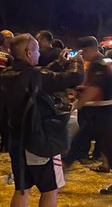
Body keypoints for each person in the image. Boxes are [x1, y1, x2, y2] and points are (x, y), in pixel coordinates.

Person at [0, 34, 84, 207]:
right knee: (50, 189)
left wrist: (58, 63)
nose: (39, 54)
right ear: (28, 52)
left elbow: (41, 73)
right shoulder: (34, 75)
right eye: (37, 49)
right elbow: (73, 77)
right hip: (39, 140)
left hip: (16, 140)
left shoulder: (6, 74)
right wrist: (77, 61)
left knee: (22, 189)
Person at [73, 36, 112, 194]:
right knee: (99, 143)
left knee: (107, 145)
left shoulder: (99, 64)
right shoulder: (100, 63)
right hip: (101, 109)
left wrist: (77, 105)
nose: (82, 55)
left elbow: (94, 89)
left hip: (102, 110)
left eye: (83, 52)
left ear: (89, 49)